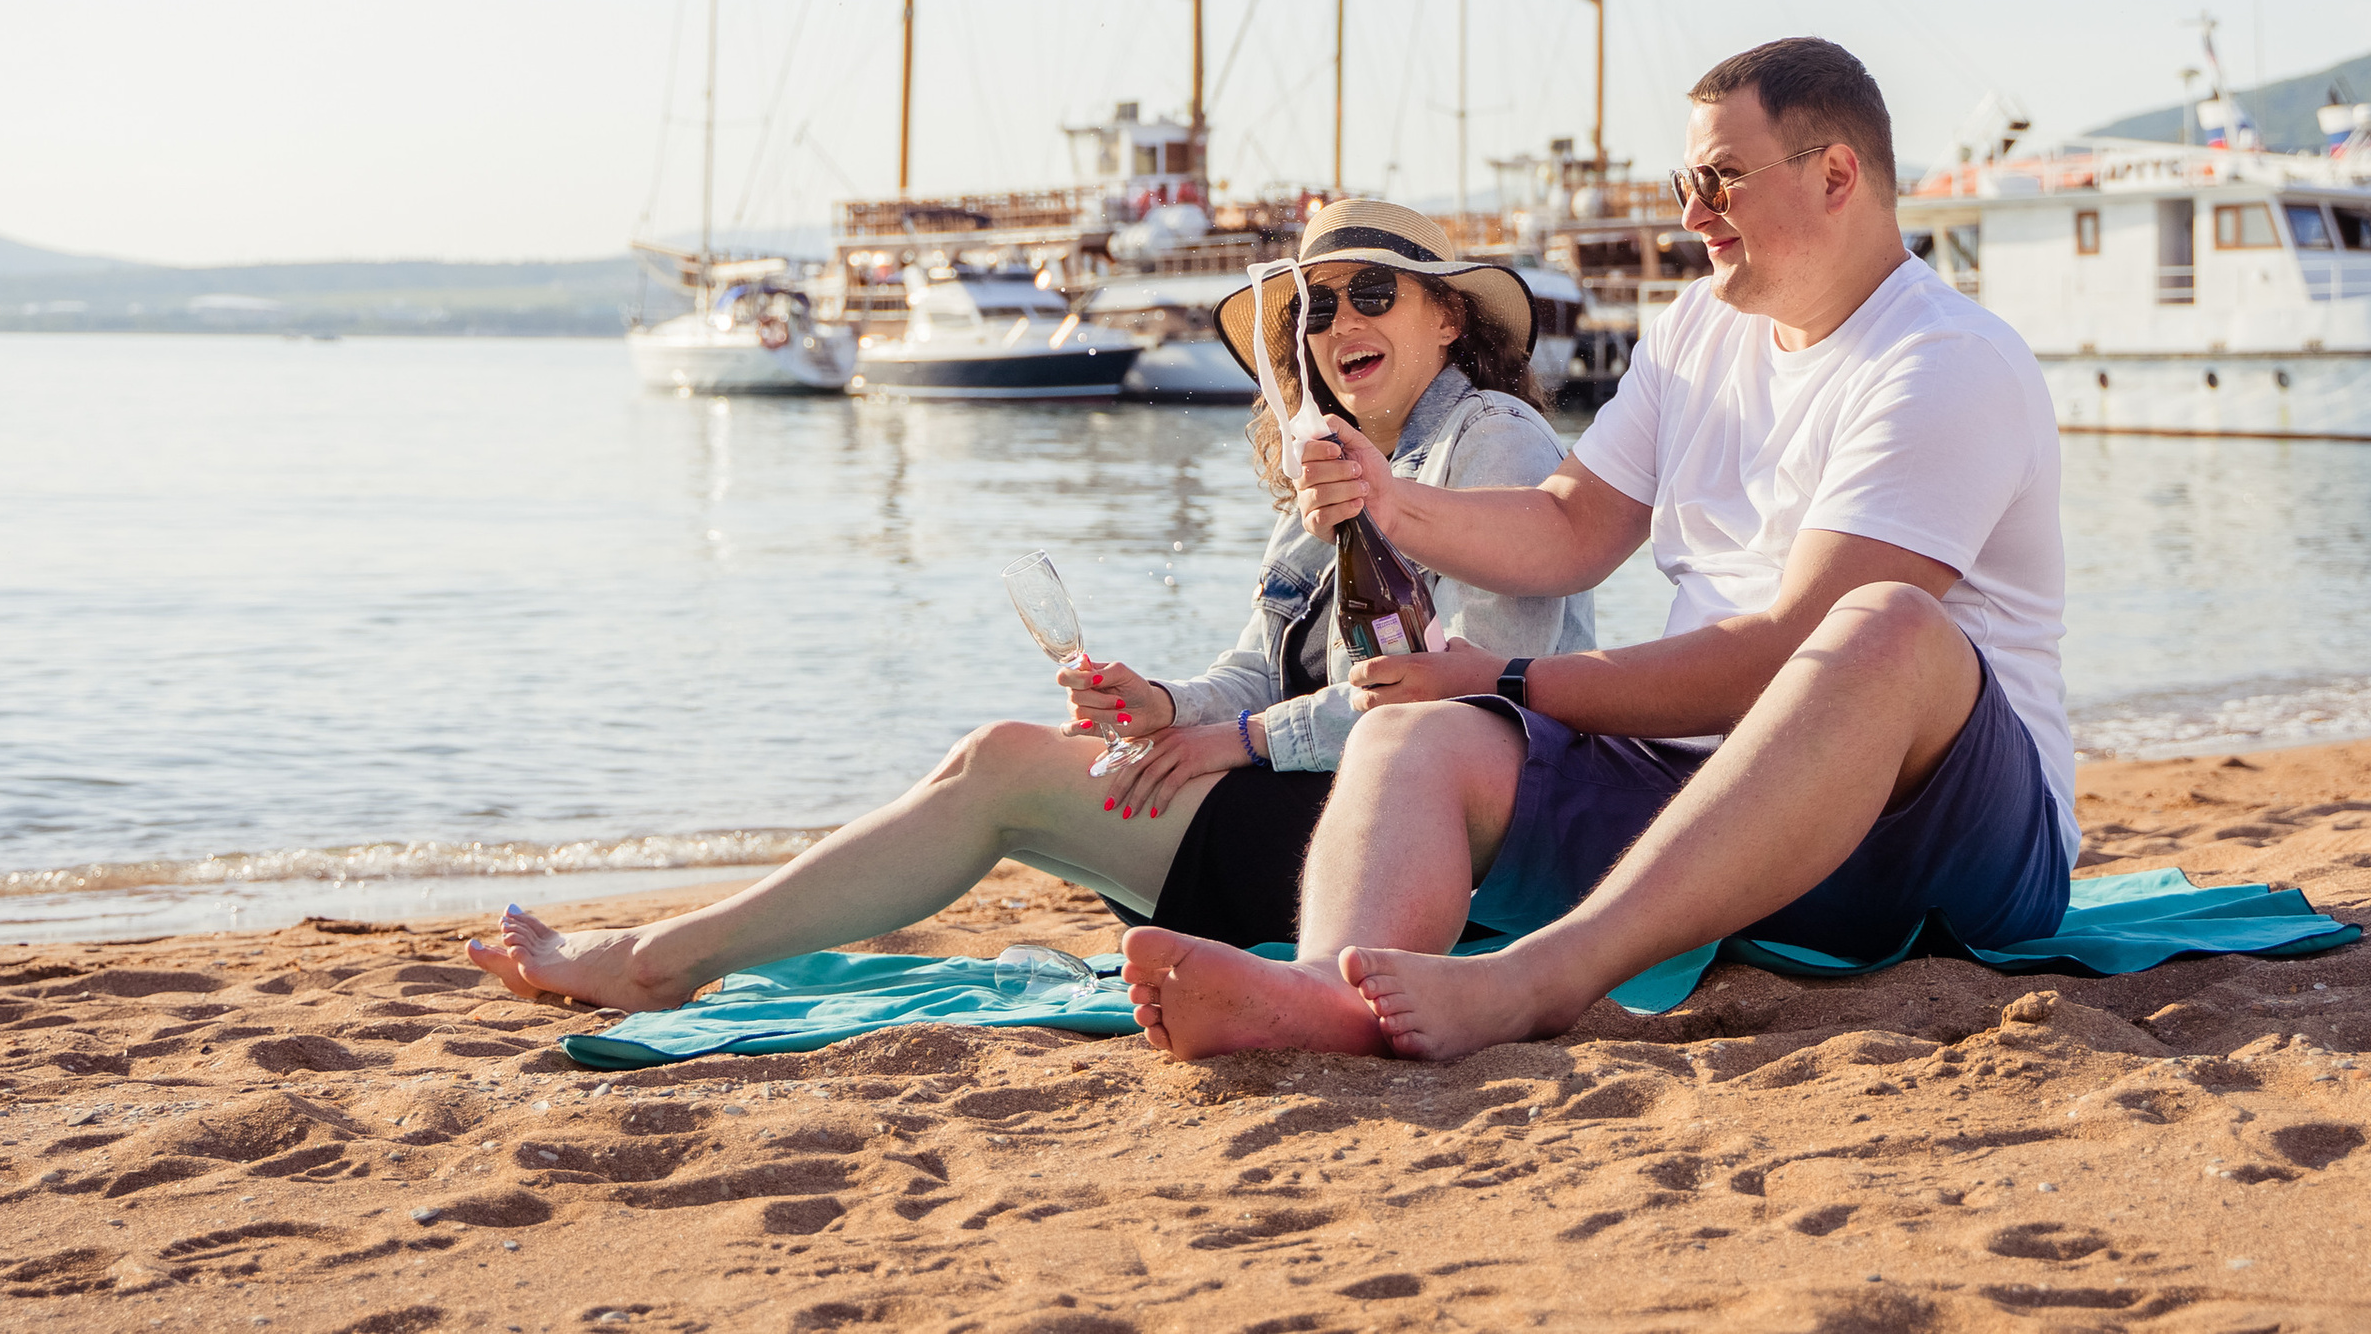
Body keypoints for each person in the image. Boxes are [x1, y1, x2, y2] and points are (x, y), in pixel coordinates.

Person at [1121, 37, 2074, 1064]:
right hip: (1705, 818)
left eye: (1718, 181)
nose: (1689, 214)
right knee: (1419, 731)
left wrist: (1511, 678)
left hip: (1940, 834)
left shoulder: (1943, 361)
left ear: (1835, 173)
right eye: (1685, 182)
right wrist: (1391, 500)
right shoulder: (1694, 331)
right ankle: (1329, 991)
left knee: (1884, 625)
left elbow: (1783, 652)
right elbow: (1571, 525)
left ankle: (1547, 974)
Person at [465, 200, 1589, 1011]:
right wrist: (1161, 701)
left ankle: (658, 960)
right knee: (1004, 759)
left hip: (1440, 852)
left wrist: (1237, 741)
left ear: (1448, 318)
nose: (1338, 316)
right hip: (1314, 819)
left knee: (1001, 766)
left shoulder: (1487, 436)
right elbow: (1260, 664)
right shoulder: (1328, 464)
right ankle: (663, 954)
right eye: (1316, 302)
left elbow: (1472, 696)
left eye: (1373, 292)